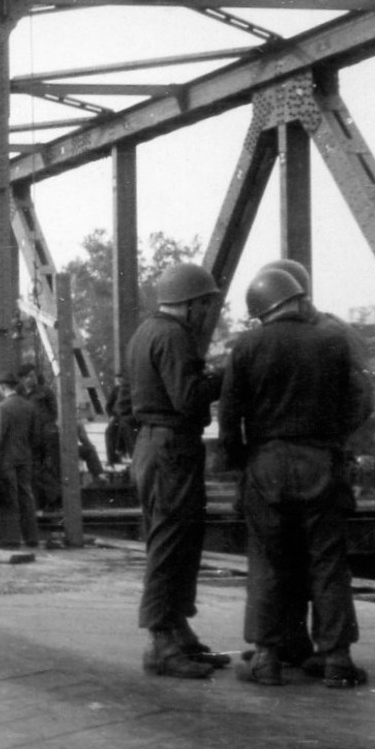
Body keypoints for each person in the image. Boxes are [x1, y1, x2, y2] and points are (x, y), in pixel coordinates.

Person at [220, 267, 371, 688]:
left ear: (261, 310)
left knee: (268, 562)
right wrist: (333, 439)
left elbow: (230, 419)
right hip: (321, 462)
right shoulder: (332, 340)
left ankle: (267, 658)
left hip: (266, 464)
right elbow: (360, 401)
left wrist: (240, 465)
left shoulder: (247, 345)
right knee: (327, 563)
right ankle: (337, 658)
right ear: (297, 299)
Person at [126, 262, 229, 678]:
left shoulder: (147, 332)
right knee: (170, 543)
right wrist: (226, 375)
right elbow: (187, 398)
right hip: (171, 448)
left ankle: (177, 631)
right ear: (191, 304)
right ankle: (160, 642)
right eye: (207, 304)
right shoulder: (173, 336)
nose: (210, 312)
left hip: (156, 446)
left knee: (176, 540)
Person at [0, 372, 38, 549]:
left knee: (9, 498)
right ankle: (31, 538)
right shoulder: (29, 406)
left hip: (7, 460)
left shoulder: (2, 408)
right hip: (25, 457)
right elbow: (34, 435)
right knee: (27, 496)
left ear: (2, 388)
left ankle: (11, 539)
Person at [16, 364, 62, 513]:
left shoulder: (44, 392)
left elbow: (54, 413)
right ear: (23, 379)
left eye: (34, 375)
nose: (33, 378)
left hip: (46, 435)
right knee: (35, 470)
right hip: (30, 436)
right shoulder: (19, 394)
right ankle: (50, 499)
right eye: (29, 376)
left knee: (49, 467)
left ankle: (55, 500)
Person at [105, 371, 132, 467]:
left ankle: (125, 453)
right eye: (117, 379)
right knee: (109, 431)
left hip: (128, 415)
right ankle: (111, 458)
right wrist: (111, 416)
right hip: (117, 416)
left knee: (124, 429)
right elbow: (108, 406)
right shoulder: (115, 390)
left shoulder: (130, 389)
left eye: (121, 379)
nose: (119, 381)